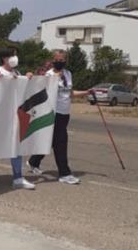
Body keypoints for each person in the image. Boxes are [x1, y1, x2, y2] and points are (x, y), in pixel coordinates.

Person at [27, 49, 92, 184]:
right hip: (52, 112)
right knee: (61, 141)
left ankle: (34, 161)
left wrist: (87, 92)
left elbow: (70, 93)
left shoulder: (68, 74)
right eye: (57, 59)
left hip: (64, 112)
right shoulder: (48, 75)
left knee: (51, 140)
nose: (59, 62)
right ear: (53, 60)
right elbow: (39, 91)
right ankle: (64, 173)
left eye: (62, 60)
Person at [0, 47, 36, 190]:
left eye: (16, 55)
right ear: (5, 58)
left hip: (13, 115)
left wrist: (27, 79)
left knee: (16, 144)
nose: (16, 58)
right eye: (13, 55)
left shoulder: (17, 73)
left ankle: (18, 177)